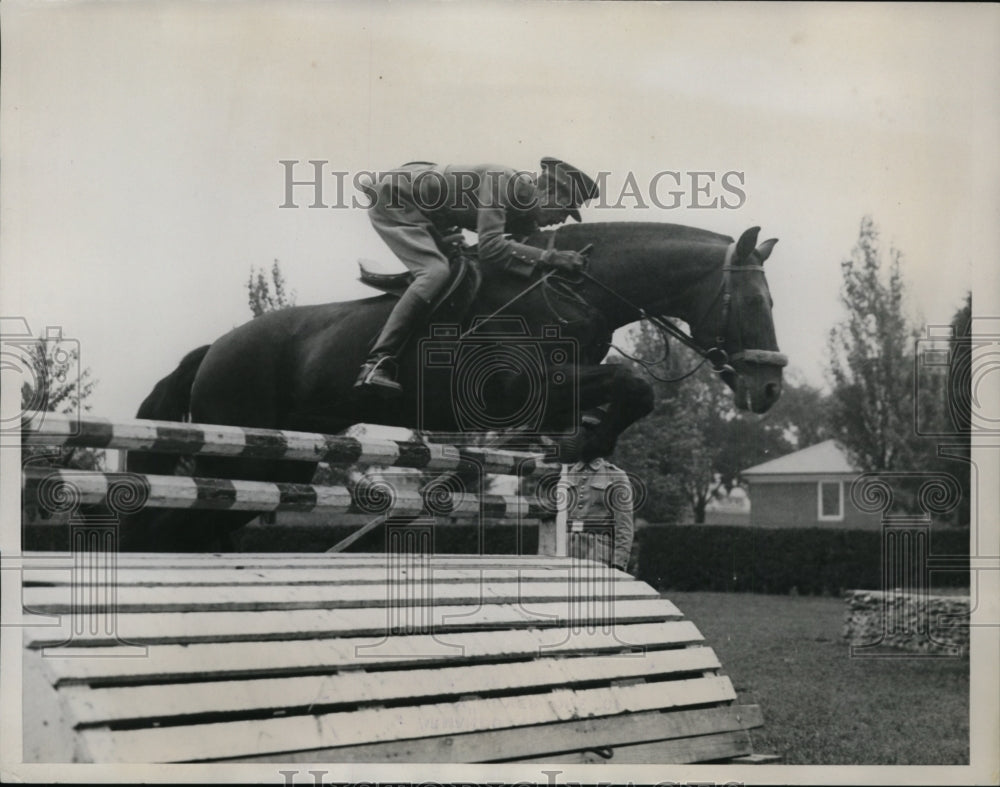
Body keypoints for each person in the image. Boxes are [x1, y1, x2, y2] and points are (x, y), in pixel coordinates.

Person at [355, 158, 600, 396]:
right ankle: (377, 362)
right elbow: (491, 248)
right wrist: (550, 257)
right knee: (434, 272)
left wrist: (551, 259)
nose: (562, 219)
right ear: (549, 193)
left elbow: (523, 251)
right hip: (396, 198)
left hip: (434, 212)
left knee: (465, 267)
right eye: (565, 209)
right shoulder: (503, 182)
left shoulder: (526, 212)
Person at [560, 410, 635, 572]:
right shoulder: (566, 474)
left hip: (598, 552)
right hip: (566, 550)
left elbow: (624, 526)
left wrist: (618, 564)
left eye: (590, 435)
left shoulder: (616, 476)